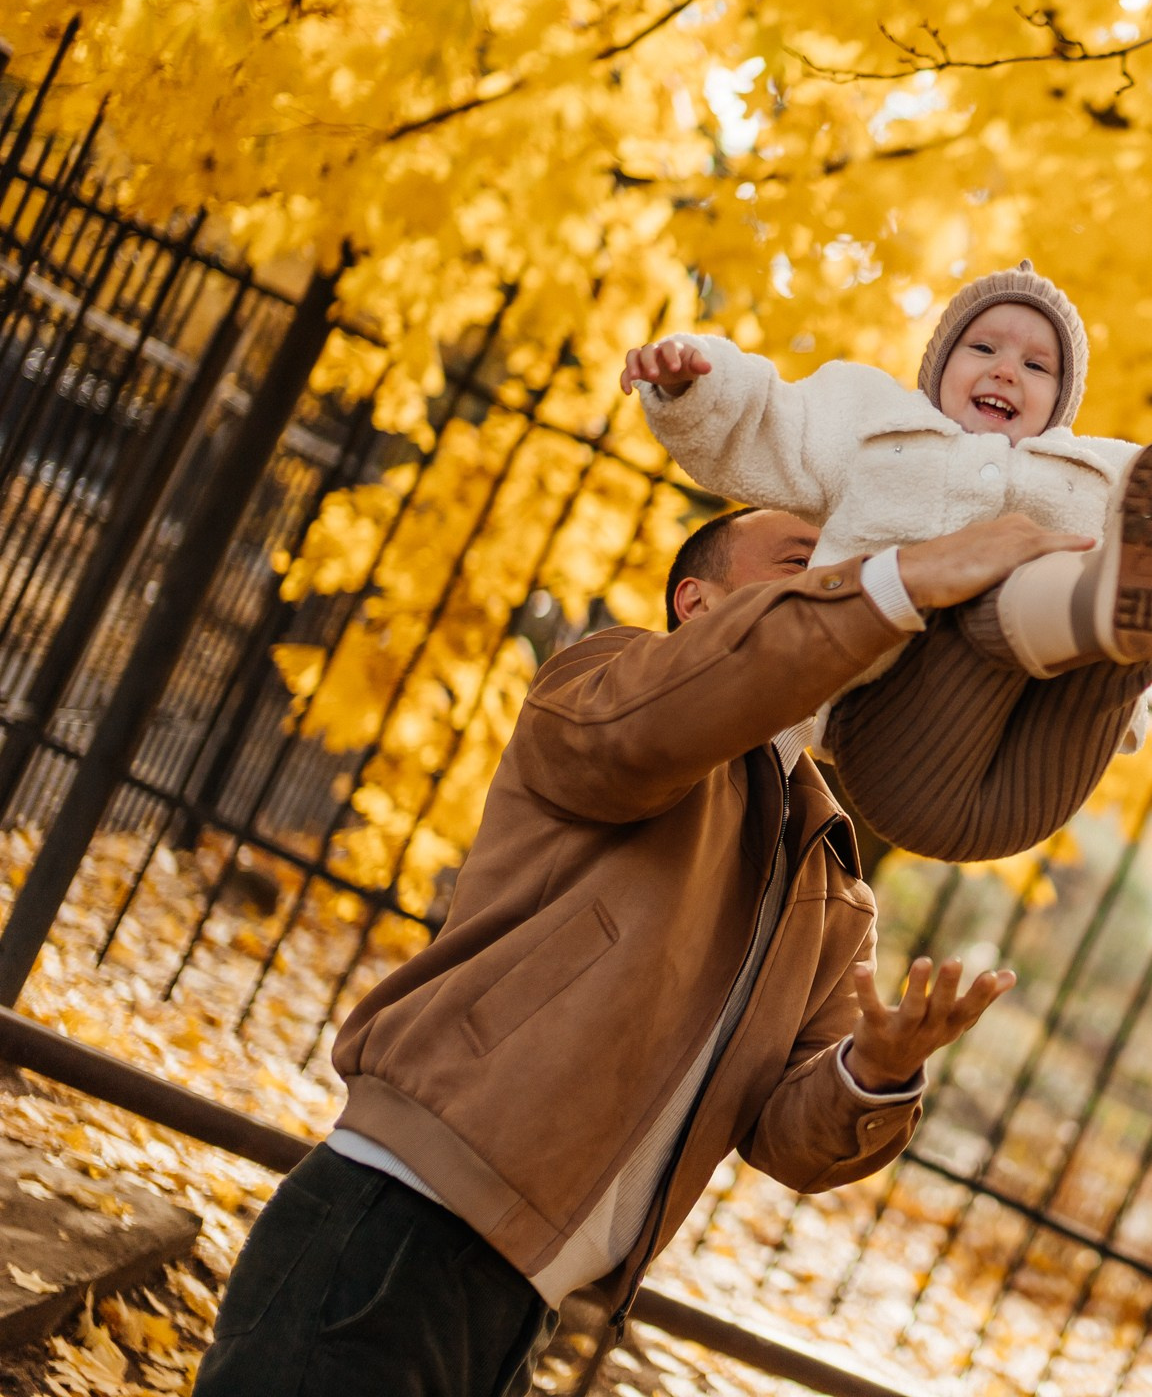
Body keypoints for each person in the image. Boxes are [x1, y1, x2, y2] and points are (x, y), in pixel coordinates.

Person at [192, 509, 1081, 1397]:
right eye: (805, 562)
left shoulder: (831, 877)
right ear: (697, 603)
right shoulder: (607, 680)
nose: (835, 579)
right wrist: (907, 577)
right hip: (402, 1218)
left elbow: (792, 1141)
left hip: (529, 1292)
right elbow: (666, 722)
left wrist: (877, 1071)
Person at [621, 261, 1152, 861]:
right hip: (902, 753)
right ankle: (1093, 601)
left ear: (1062, 401)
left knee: (1147, 620)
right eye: (984, 350)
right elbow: (772, 421)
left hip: (1046, 767)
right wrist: (696, 382)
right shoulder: (873, 429)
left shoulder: (1095, 471)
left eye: (1036, 365)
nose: (1008, 371)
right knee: (1009, 586)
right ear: (938, 365)